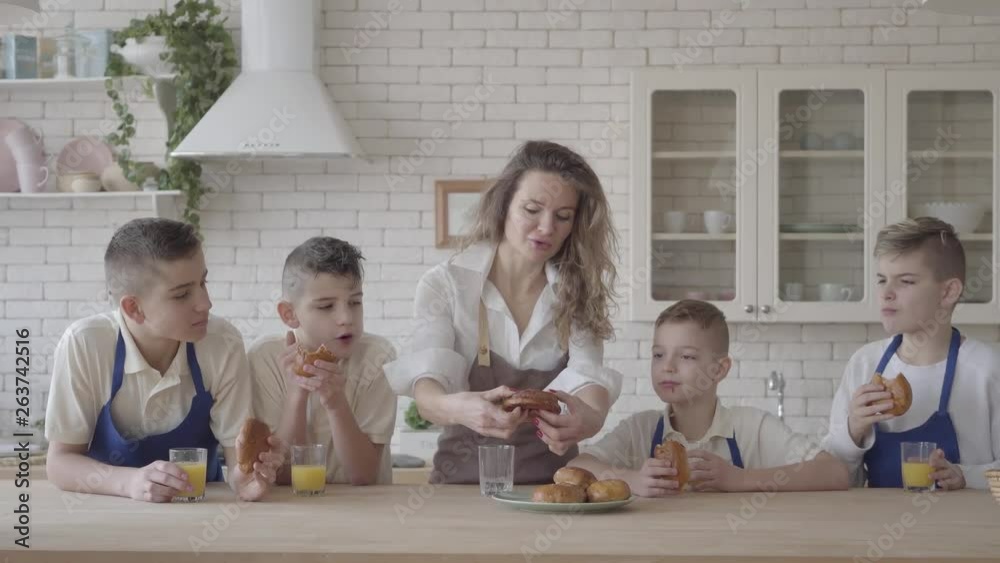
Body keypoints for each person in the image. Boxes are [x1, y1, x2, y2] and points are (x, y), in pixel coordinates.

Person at [385, 140, 623, 484]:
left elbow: (588, 377)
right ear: (504, 204)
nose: (546, 228)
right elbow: (428, 394)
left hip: (556, 491)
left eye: (563, 216)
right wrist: (459, 408)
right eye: (532, 209)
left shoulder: (577, 291)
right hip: (461, 490)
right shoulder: (446, 285)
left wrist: (593, 417)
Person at [45, 218, 283, 502]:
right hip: (105, 517)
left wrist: (246, 480)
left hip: (200, 510)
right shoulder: (85, 344)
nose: (206, 303)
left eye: (203, 282)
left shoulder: (223, 344)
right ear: (133, 308)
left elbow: (236, 462)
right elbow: (60, 463)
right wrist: (130, 483)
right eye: (182, 294)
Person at [569, 300, 848, 496]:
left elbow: (834, 473)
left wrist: (740, 479)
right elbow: (578, 466)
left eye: (687, 356)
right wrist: (632, 479)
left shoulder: (753, 427)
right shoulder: (640, 429)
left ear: (720, 369)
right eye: (658, 354)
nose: (667, 366)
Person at [823, 217, 1000, 490]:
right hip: (877, 528)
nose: (886, 293)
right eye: (882, 280)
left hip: (966, 531)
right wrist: (853, 431)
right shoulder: (864, 364)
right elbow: (835, 477)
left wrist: (966, 477)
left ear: (948, 292)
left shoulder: (987, 369)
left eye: (905, 281)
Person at [249, 237, 397, 485]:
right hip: (295, 509)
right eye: (326, 306)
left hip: (367, 510)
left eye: (355, 302)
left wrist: (336, 403)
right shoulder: (264, 358)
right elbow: (283, 477)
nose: (346, 318)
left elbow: (364, 476)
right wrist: (297, 395)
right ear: (290, 314)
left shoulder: (378, 356)